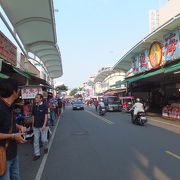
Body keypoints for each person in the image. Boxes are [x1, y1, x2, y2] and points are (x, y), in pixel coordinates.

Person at [0, 78, 27, 180]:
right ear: (13, 91)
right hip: (2, 155)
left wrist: (19, 126)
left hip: (13, 153)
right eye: (18, 89)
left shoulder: (9, 106)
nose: (19, 91)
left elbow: (7, 123)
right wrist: (13, 136)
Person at [32, 94, 48, 161]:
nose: (35, 98)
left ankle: (45, 147)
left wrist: (44, 125)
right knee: (36, 140)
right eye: (35, 97)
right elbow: (33, 116)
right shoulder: (34, 106)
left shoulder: (44, 106)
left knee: (43, 140)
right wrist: (32, 124)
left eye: (37, 97)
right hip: (36, 126)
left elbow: (46, 116)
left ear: (41, 99)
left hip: (43, 126)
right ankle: (37, 154)